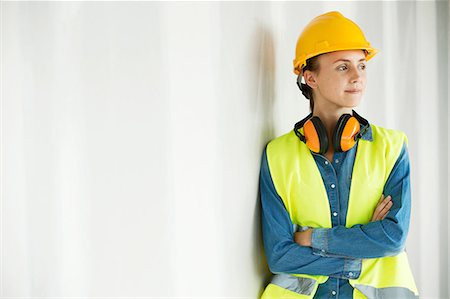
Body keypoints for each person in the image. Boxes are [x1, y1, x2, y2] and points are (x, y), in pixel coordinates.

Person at [259, 11, 419, 299]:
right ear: (310, 78)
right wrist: (363, 243)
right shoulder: (277, 155)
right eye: (343, 68)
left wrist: (311, 238)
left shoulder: (392, 147)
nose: (358, 77)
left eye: (362, 65)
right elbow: (280, 255)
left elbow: (392, 238)